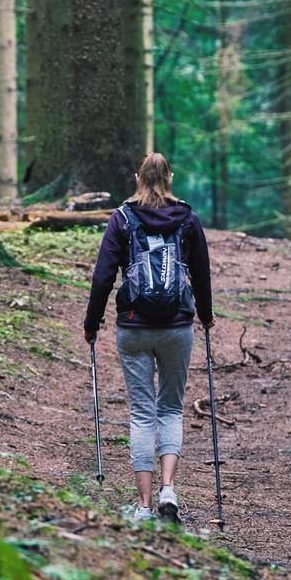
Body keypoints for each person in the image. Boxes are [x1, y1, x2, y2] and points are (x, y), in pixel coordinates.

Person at [83, 153, 214, 524]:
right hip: (177, 326)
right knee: (171, 408)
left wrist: (92, 321)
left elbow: (103, 276)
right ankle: (168, 489)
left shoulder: (122, 219)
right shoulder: (186, 218)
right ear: (170, 176)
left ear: (138, 176)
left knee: (142, 413)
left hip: (134, 326)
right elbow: (201, 274)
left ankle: (142, 506)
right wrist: (204, 314)